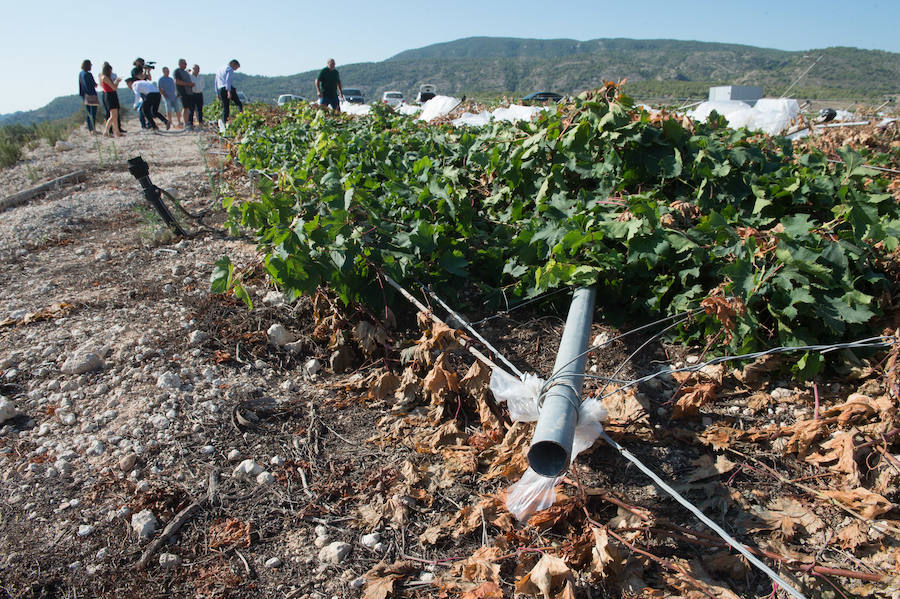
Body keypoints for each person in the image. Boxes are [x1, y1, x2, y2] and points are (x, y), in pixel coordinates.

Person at [214, 59, 242, 124]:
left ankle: (225, 122)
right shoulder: (229, 69)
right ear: (233, 64)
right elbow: (228, 80)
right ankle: (241, 116)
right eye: (236, 67)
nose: (235, 69)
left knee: (225, 107)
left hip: (220, 88)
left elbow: (216, 81)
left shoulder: (219, 69)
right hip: (227, 88)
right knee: (238, 103)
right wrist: (229, 91)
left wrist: (217, 92)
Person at [99, 63, 123, 137]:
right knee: (113, 115)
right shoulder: (105, 78)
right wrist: (117, 81)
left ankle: (117, 132)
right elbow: (114, 87)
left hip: (110, 95)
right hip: (110, 95)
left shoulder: (102, 77)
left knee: (114, 115)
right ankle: (106, 131)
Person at [78, 60, 99, 133]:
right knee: (93, 113)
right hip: (92, 95)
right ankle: (93, 129)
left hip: (85, 95)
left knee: (88, 112)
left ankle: (90, 129)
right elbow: (94, 85)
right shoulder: (88, 74)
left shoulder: (81, 74)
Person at [173, 58, 194, 130]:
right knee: (185, 108)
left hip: (189, 92)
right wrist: (188, 84)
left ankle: (188, 122)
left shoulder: (185, 72)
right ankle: (185, 123)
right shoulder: (177, 71)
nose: (185, 65)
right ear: (179, 64)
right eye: (184, 63)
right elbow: (177, 81)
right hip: (183, 92)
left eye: (186, 63)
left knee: (188, 108)